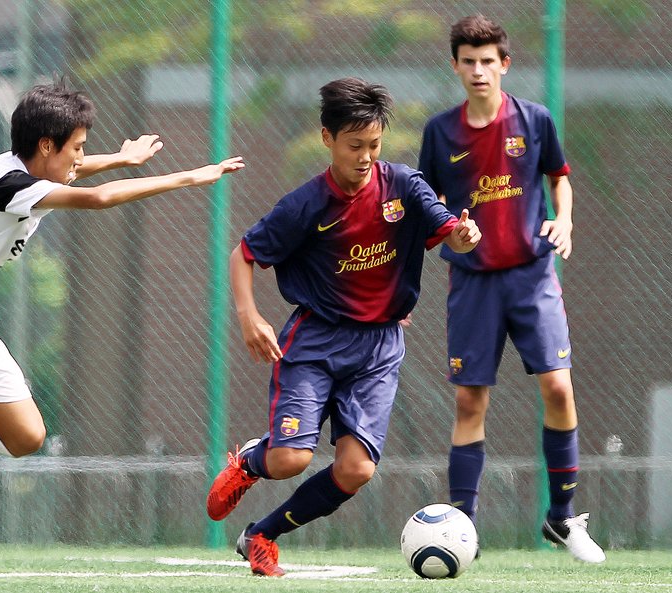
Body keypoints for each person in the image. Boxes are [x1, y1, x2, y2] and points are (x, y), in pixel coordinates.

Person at [0, 82, 244, 572]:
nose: (80, 158)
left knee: (24, 439)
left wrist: (123, 159)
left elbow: (78, 170)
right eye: (77, 147)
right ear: (46, 145)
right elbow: (99, 197)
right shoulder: (10, 185)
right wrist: (190, 177)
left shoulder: (27, 168)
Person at [205, 77, 481, 577]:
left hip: (379, 349)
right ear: (327, 139)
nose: (365, 157)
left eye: (374, 145)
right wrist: (250, 317)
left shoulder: (405, 187)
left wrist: (465, 234)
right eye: (355, 146)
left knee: (356, 470)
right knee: (289, 459)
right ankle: (251, 461)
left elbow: (452, 238)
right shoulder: (305, 205)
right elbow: (243, 255)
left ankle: (262, 534)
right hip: (315, 342)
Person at [416, 14, 605, 563]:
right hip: (472, 283)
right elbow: (425, 205)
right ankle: (462, 530)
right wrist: (453, 228)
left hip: (531, 275)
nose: (478, 71)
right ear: (456, 66)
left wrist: (564, 220)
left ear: (504, 64)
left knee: (559, 387)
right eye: (468, 61)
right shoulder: (440, 132)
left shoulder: (535, 120)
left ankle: (563, 518)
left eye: (487, 61)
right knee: (471, 400)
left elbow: (559, 176)